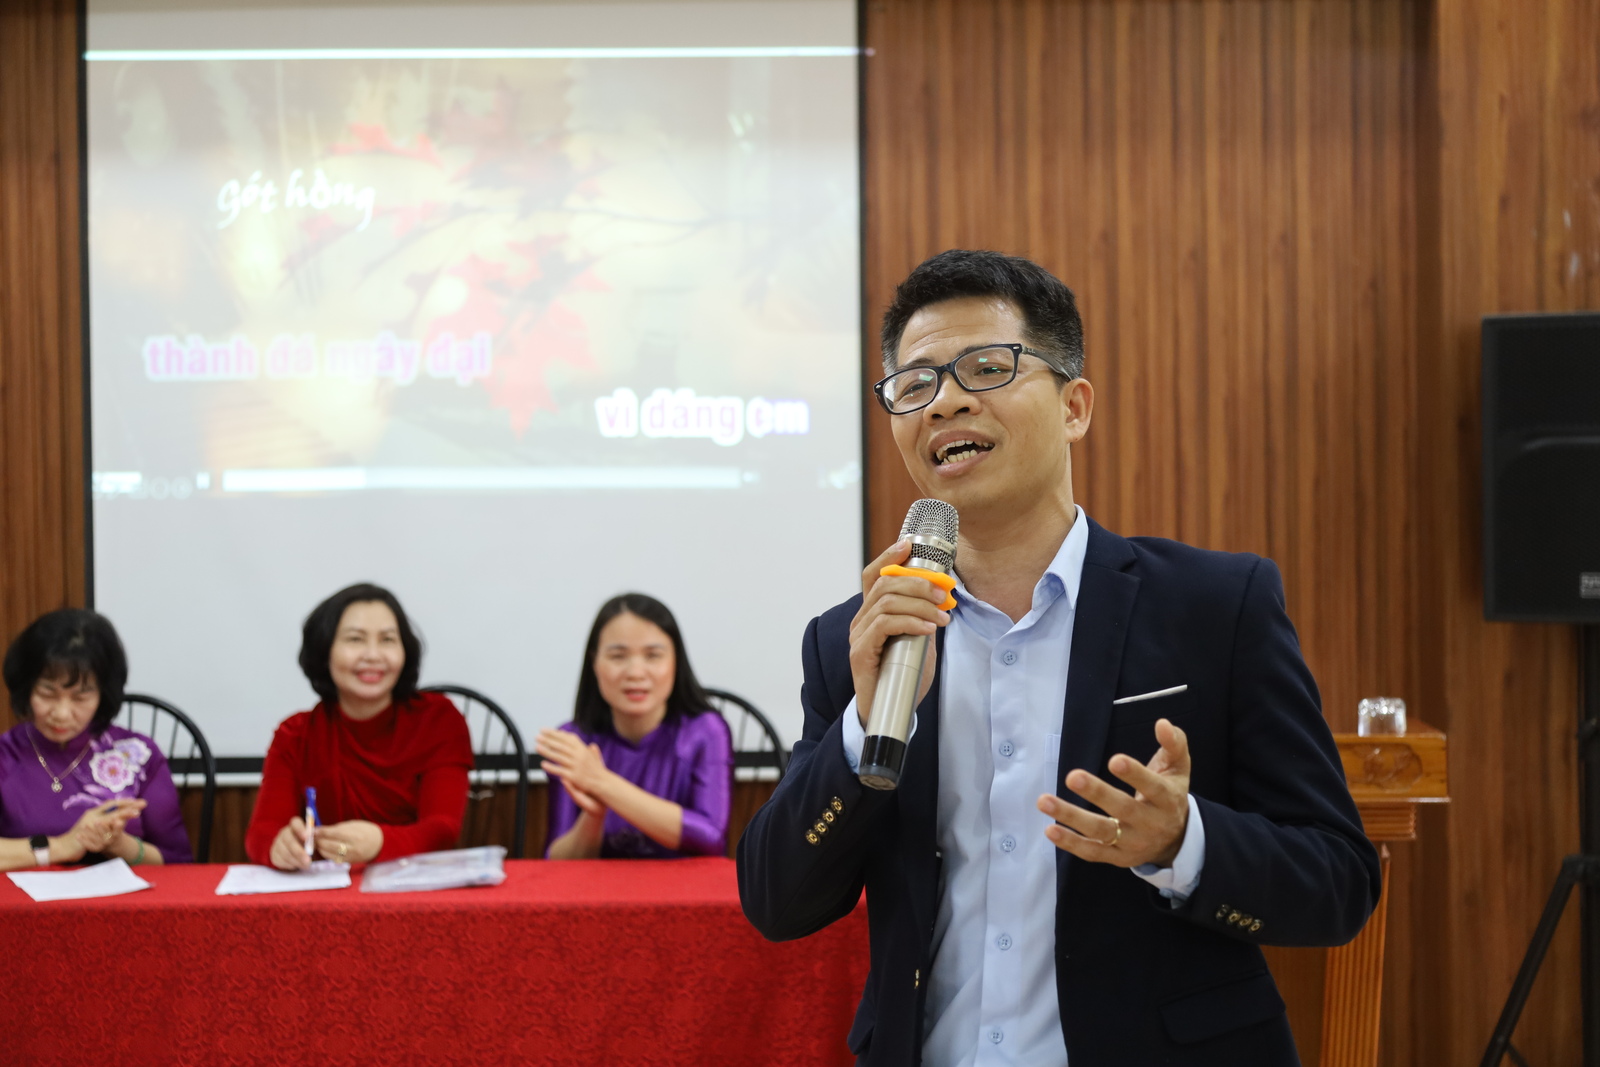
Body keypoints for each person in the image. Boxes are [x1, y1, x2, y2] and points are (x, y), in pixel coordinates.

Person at [737, 250, 1382, 1066]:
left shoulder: (1216, 607)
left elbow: (1338, 880)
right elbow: (777, 901)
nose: (947, 401)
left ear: (1074, 407)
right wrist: (866, 723)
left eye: (987, 368)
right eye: (916, 384)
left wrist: (1180, 841)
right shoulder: (859, 639)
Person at [245, 583, 472, 870]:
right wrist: (279, 848)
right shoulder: (296, 734)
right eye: (355, 639)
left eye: (387, 640)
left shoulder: (439, 720)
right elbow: (261, 833)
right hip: (329, 885)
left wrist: (379, 844)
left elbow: (442, 830)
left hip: (415, 884)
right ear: (324, 651)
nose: (373, 655)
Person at [539, 593, 732, 859]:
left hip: (684, 884)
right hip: (601, 885)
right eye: (618, 656)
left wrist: (603, 783)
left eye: (653, 656)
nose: (635, 673)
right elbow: (557, 861)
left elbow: (711, 839)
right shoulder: (574, 740)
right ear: (594, 662)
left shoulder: (706, 731)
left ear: (676, 661)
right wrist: (593, 816)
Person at [0, 608, 192, 870]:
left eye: (80, 697)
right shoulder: (6, 755)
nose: (62, 714)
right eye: (47, 694)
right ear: (26, 688)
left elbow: (178, 862)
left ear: (103, 694)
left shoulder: (138, 756)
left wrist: (118, 845)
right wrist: (61, 846)